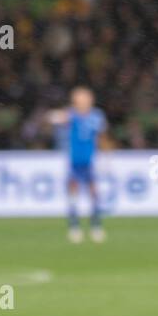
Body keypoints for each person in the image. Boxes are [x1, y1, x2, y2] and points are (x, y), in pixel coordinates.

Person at [47, 87, 108, 243]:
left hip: (90, 162)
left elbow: (102, 137)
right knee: (73, 193)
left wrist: (105, 156)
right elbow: (53, 118)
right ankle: (74, 226)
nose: (84, 101)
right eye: (80, 99)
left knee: (94, 193)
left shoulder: (96, 116)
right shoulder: (72, 115)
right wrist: (53, 117)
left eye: (86, 98)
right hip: (74, 161)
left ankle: (96, 225)